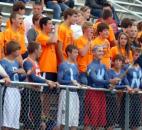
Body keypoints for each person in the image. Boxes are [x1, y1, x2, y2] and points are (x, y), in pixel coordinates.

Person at [22, 42, 57, 130]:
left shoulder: (36, 62)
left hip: (36, 92)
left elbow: (38, 77)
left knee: (37, 119)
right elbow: (33, 77)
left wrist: (52, 82)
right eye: (40, 49)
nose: (41, 51)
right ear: (35, 50)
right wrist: (47, 81)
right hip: (29, 92)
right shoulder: (27, 62)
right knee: (29, 119)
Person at [84, 45, 120, 130]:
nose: (101, 53)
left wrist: (111, 84)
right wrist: (109, 81)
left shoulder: (104, 66)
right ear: (93, 53)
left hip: (102, 94)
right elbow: (95, 80)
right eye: (99, 51)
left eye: (102, 51)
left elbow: (106, 80)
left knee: (101, 121)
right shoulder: (90, 66)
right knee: (90, 120)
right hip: (92, 93)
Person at [36, 17, 58, 128]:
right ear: (44, 25)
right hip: (45, 68)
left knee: (49, 95)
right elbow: (54, 40)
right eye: (49, 24)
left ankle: (46, 117)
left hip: (52, 69)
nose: (51, 26)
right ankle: (41, 117)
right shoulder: (41, 36)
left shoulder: (49, 36)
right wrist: (56, 29)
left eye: (52, 24)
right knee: (43, 94)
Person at [1, 40, 26, 130]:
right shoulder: (3, 62)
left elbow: (17, 78)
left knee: (15, 118)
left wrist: (24, 74)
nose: (19, 52)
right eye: (18, 50)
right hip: (8, 90)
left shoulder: (16, 62)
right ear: (12, 51)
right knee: (7, 118)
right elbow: (2, 77)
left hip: (16, 90)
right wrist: (14, 72)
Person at [57, 44, 80, 130]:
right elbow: (59, 80)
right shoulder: (63, 65)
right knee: (64, 121)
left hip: (75, 94)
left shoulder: (76, 66)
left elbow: (77, 80)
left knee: (74, 122)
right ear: (69, 53)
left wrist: (79, 84)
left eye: (77, 52)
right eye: (75, 52)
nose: (77, 54)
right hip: (66, 93)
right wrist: (71, 82)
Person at [120, 49, 142, 130]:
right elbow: (124, 79)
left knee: (135, 122)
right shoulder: (127, 66)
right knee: (125, 121)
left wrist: (139, 88)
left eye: (139, 56)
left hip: (137, 96)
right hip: (128, 96)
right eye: (136, 55)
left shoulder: (141, 68)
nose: (138, 57)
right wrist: (129, 87)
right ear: (132, 55)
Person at [107, 54, 129, 130]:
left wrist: (121, 87)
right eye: (116, 60)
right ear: (113, 62)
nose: (117, 62)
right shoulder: (110, 71)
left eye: (119, 61)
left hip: (120, 97)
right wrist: (121, 87)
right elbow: (109, 85)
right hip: (111, 98)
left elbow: (126, 83)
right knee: (110, 121)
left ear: (122, 63)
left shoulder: (123, 72)